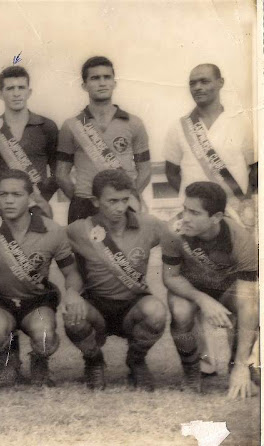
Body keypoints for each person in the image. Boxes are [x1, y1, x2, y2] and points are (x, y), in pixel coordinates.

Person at [163, 63, 258, 378]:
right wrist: (196, 204)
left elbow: (254, 168)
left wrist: (245, 204)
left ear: (220, 82)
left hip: (236, 216)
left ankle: (240, 363)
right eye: (193, 82)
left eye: (204, 81)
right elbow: (172, 172)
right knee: (195, 280)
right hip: (196, 217)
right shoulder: (179, 127)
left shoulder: (241, 122)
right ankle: (203, 362)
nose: (198, 87)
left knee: (242, 290)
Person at [0, 169, 83, 389]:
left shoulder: (52, 231)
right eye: (3, 194)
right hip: (0, 301)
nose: (9, 200)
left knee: (45, 336)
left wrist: (72, 293)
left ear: (30, 197)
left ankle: (39, 361)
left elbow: (71, 273)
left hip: (36, 302)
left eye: (16, 194)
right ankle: (8, 360)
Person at [65, 169, 168, 391]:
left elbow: (180, 240)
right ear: (95, 201)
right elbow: (49, 243)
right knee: (73, 317)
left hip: (134, 304)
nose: (120, 207)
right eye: (112, 201)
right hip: (96, 304)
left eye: (124, 200)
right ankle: (94, 361)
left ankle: (136, 361)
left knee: (157, 312)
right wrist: (71, 292)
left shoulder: (149, 225)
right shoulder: (79, 230)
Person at [162, 182, 258, 398]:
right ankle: (191, 370)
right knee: (180, 311)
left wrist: (241, 366)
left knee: (257, 307)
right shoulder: (172, 230)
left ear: (216, 217)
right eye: (185, 209)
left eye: (195, 213)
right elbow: (170, 276)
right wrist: (203, 299)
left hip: (226, 288)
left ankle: (240, 368)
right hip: (191, 287)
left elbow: (248, 302)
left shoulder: (241, 239)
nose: (185, 217)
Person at [56, 56, 151, 224]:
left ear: (114, 83)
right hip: (85, 204)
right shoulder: (72, 125)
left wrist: (129, 196)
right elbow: (61, 174)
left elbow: (145, 170)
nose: (102, 83)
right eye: (95, 78)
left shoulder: (134, 123)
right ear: (84, 85)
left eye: (107, 77)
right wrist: (80, 200)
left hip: (123, 204)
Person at [0, 66, 58, 218]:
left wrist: (42, 197)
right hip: (4, 207)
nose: (16, 93)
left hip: (37, 206)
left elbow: (57, 170)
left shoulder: (47, 127)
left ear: (29, 92)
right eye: (10, 88)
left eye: (21, 87)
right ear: (0, 94)